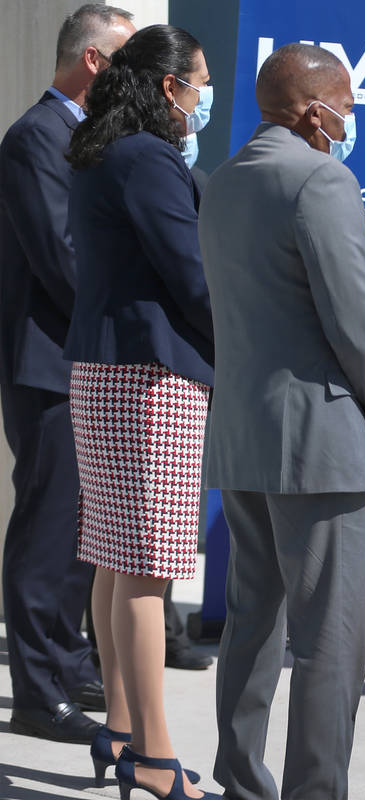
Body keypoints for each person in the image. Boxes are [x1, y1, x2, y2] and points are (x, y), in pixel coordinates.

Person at [198, 43, 365, 800]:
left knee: (251, 623)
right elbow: (357, 324)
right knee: (330, 642)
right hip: (318, 438)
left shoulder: (222, 182)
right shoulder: (321, 177)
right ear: (314, 110)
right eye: (346, 102)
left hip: (244, 433)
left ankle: (242, 783)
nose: (350, 116)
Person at [64, 23, 217, 799]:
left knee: (116, 560)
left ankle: (121, 730)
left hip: (104, 370)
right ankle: (154, 757)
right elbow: (192, 275)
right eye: (200, 80)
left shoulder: (98, 150)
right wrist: (241, 341)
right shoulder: (149, 158)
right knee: (147, 571)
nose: (205, 95)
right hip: (152, 378)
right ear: (169, 86)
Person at [0, 2, 135, 744]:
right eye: (127, 60)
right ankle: (36, 688)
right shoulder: (34, 138)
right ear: (94, 62)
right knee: (48, 529)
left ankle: (72, 658)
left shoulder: (89, 138)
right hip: (49, 365)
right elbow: (62, 261)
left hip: (88, 363)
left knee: (87, 529)